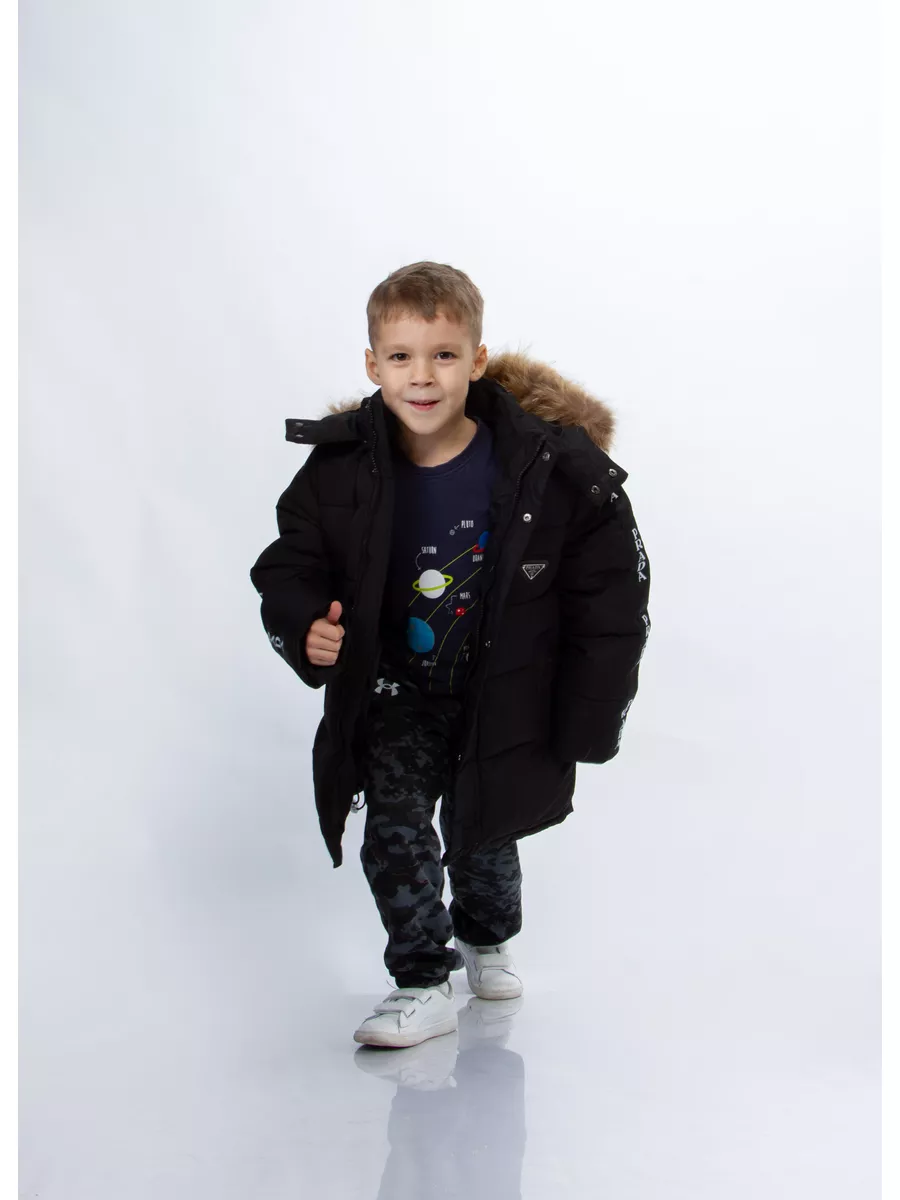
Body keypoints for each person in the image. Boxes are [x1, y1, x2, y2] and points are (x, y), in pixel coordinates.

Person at [249, 261, 651, 1048]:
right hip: (397, 693)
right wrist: (305, 626)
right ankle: (421, 981)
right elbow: (291, 564)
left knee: (486, 833)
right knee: (394, 825)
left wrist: (588, 712)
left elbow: (607, 600)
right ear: (373, 365)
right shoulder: (342, 468)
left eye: (443, 355)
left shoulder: (546, 466)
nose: (422, 376)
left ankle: (487, 937)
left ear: (477, 360)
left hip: (504, 689)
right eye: (401, 356)